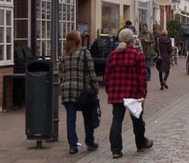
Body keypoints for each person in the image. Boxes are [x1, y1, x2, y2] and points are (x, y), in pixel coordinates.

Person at [104, 28, 153, 158]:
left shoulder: (112, 55)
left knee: (117, 120)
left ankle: (116, 150)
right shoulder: (137, 55)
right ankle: (140, 144)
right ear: (132, 40)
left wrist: (109, 90)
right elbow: (142, 77)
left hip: (117, 92)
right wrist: (143, 94)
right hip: (133, 92)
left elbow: (107, 76)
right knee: (137, 120)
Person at [60, 30, 99, 154]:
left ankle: (73, 145)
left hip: (67, 91)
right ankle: (90, 141)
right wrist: (95, 87)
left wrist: (64, 84)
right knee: (87, 117)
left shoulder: (63, 55)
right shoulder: (84, 53)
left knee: (70, 119)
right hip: (82, 91)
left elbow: (61, 73)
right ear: (79, 40)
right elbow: (91, 72)